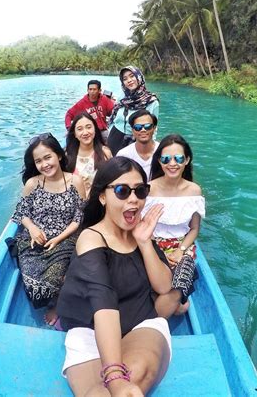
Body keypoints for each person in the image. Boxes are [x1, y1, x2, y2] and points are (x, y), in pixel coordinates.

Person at [57, 157, 172, 395]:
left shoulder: (140, 232)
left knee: (137, 372)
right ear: (102, 197)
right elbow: (103, 301)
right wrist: (115, 375)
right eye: (122, 191)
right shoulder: (91, 238)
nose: (133, 199)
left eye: (140, 191)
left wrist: (144, 242)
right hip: (89, 328)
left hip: (139, 324)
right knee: (101, 393)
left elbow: (163, 286)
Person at [10, 133, 86, 325]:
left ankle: (59, 302)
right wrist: (33, 229)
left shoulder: (75, 182)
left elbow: (78, 218)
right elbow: (22, 212)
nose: (44, 164)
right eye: (38, 161)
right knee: (36, 290)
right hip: (35, 239)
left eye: (48, 157)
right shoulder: (32, 183)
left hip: (66, 237)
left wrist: (58, 239)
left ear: (59, 156)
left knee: (58, 275)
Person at [144, 134, 205, 317]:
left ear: (187, 160)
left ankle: (169, 305)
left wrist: (180, 250)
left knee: (178, 281)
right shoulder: (149, 189)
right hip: (153, 244)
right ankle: (169, 307)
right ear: (159, 161)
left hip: (182, 245)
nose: (173, 163)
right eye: (166, 159)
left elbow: (194, 229)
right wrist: (157, 250)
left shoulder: (194, 191)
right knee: (150, 281)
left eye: (178, 158)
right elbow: (144, 226)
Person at [108, 66, 159, 156]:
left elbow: (153, 128)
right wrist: (110, 132)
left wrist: (150, 148)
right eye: (125, 79)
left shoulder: (151, 101)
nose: (129, 80)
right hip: (115, 136)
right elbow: (114, 117)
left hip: (134, 140)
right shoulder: (122, 97)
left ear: (139, 77)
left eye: (132, 76)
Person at [65, 112, 112, 196]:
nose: (85, 132)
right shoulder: (67, 155)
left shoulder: (105, 152)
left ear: (95, 129)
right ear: (75, 134)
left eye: (89, 127)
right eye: (80, 129)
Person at [116, 109, 159, 180]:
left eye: (147, 126)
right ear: (132, 130)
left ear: (154, 128)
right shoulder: (124, 155)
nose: (143, 130)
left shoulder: (162, 151)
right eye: (138, 127)